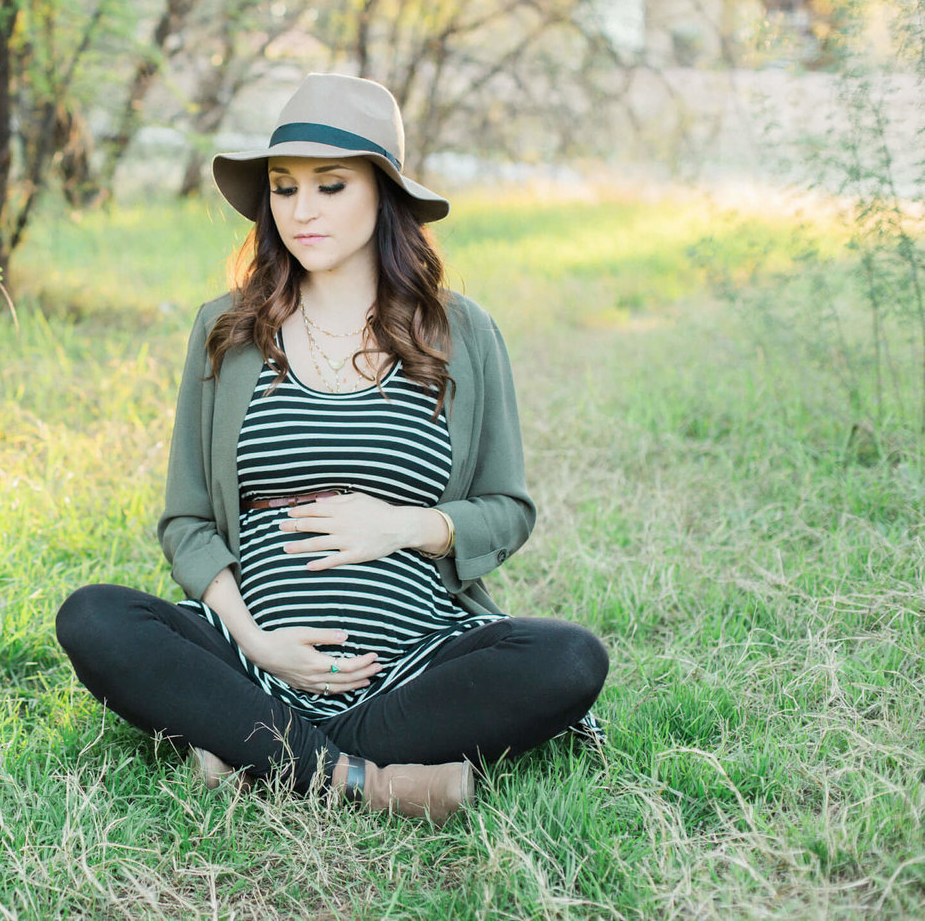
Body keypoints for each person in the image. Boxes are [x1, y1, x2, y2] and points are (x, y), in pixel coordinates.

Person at [55, 73, 608, 824]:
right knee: (94, 616)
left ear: (385, 193)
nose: (301, 210)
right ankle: (368, 781)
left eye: (331, 186)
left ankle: (255, 752)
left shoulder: (462, 332)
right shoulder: (227, 330)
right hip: (249, 655)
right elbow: (186, 522)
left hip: (414, 658)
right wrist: (258, 640)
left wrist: (402, 524)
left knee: (570, 659)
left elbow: (506, 509)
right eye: (283, 188)